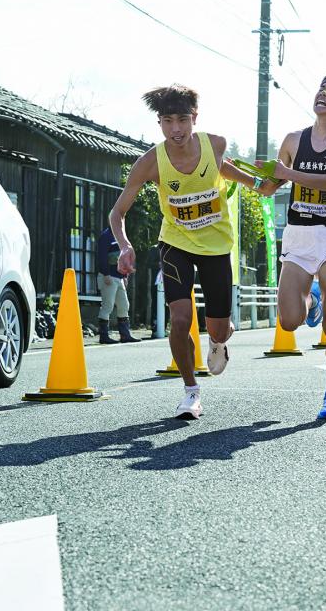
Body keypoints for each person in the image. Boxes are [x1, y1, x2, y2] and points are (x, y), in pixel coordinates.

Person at [108, 85, 254, 420]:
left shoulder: (215, 144)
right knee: (180, 319)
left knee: (218, 329)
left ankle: (220, 340)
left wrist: (258, 183)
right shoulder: (150, 163)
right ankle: (191, 392)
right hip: (176, 243)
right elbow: (117, 213)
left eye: (183, 120)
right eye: (168, 121)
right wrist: (125, 246)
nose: (176, 129)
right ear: (159, 123)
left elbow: (222, 167)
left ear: (194, 118)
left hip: (216, 246)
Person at [256, 72, 326, 420]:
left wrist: (285, 174)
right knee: (289, 322)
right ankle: (311, 298)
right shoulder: (292, 140)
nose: (322, 93)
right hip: (298, 237)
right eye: (321, 88)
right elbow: (268, 188)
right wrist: (233, 171)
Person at [95, 226, 140, 344]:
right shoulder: (105, 236)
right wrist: (105, 274)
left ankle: (125, 335)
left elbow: (124, 257)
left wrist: (125, 276)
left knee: (124, 305)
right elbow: (102, 256)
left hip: (119, 277)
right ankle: (104, 336)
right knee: (107, 305)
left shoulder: (121, 236)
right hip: (109, 276)